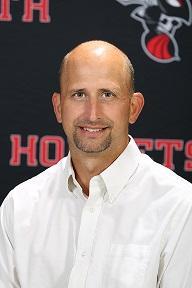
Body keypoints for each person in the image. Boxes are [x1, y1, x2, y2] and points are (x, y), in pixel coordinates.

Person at [0, 40, 192, 288]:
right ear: (59, 107)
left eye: (107, 94)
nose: (92, 113)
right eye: (79, 95)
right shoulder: (19, 207)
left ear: (133, 108)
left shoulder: (180, 206)